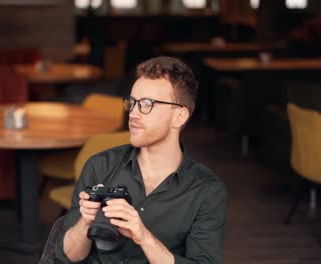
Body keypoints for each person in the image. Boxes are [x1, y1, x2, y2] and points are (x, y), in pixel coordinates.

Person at [54, 56, 227, 263]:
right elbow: (68, 256)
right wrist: (85, 222)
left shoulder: (207, 190)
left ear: (179, 117)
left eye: (147, 104)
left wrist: (144, 238)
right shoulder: (99, 166)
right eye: (133, 103)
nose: (133, 114)